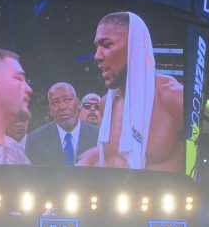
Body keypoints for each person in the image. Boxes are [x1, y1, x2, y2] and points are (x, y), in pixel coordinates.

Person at [77, 11, 184, 172]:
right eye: (97, 46)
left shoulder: (173, 97)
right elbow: (112, 158)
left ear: (134, 47)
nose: (97, 56)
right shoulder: (106, 104)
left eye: (106, 45)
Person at [25, 83, 98, 166]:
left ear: (78, 104)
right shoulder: (34, 140)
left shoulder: (99, 137)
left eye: (67, 100)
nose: (62, 107)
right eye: (55, 102)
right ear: (50, 110)